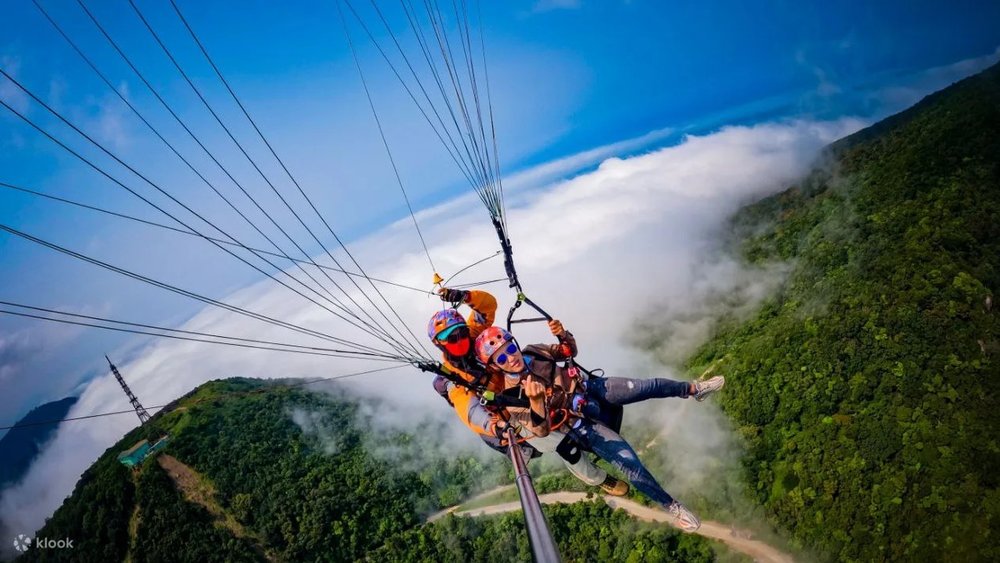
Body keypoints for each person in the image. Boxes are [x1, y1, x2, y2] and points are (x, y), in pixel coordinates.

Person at [474, 321, 724, 532]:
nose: (511, 358)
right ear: (496, 365)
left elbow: (567, 351)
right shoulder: (511, 396)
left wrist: (562, 334)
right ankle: (673, 507)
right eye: (503, 357)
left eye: (510, 348)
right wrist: (537, 401)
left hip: (589, 389)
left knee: (647, 386)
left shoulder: (534, 352)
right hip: (578, 422)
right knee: (629, 463)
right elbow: (540, 430)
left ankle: (694, 389)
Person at [425, 288, 629, 496]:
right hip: (512, 411)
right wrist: (496, 427)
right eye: (452, 339)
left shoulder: (475, 334)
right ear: (440, 344)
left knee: (578, 395)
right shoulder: (453, 378)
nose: (460, 339)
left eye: (461, 333)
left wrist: (465, 297)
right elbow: (470, 410)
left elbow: (487, 306)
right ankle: (598, 478)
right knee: (565, 445)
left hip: (525, 381)